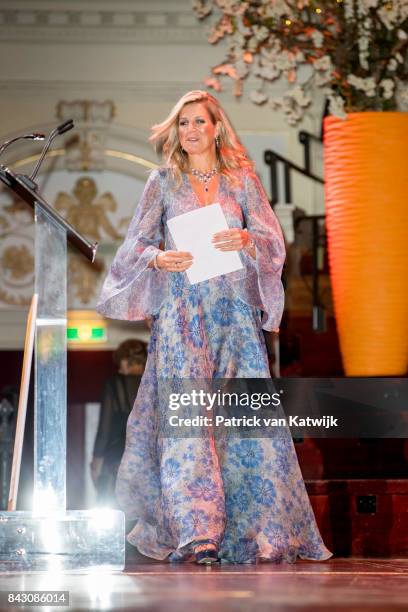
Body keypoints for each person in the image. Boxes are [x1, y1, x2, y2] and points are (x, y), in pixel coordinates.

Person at [97, 90, 332, 564]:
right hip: (183, 318)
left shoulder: (241, 182)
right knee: (188, 423)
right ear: (176, 132)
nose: (190, 131)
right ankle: (197, 530)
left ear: (216, 128)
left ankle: (256, 528)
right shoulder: (161, 182)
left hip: (234, 319)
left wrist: (245, 238)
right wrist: (159, 256)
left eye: (199, 122)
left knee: (242, 423)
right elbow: (132, 250)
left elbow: (271, 243)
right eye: (182, 123)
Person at [90, 339, 147, 506]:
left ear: (125, 360)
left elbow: (104, 430)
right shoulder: (156, 385)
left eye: (119, 362)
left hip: (117, 462)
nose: (119, 367)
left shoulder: (114, 384)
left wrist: (95, 464)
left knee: (113, 522)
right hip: (148, 466)